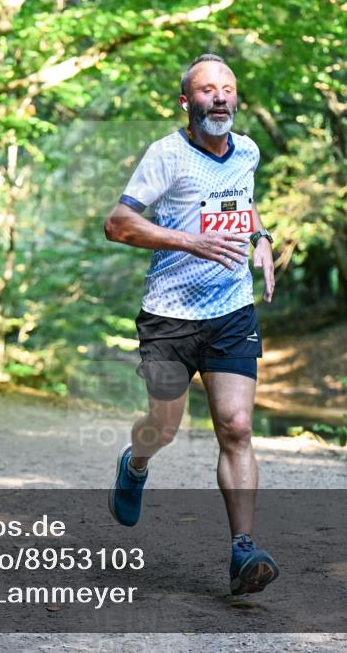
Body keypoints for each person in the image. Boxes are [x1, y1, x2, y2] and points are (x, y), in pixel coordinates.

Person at [103, 54, 279, 596]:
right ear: (187, 102)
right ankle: (135, 465)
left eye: (227, 88)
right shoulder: (167, 155)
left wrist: (261, 240)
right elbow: (117, 223)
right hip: (169, 318)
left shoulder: (246, 150)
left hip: (230, 311)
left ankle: (243, 550)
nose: (220, 96)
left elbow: (242, 205)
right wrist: (191, 241)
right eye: (207, 89)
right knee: (164, 428)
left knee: (237, 426)